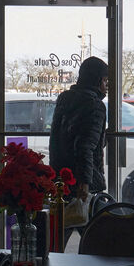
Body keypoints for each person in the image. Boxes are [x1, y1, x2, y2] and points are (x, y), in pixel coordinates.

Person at [49, 56, 109, 201]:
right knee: (86, 220)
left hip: (62, 175)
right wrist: (85, 182)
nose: (107, 85)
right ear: (98, 80)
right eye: (105, 80)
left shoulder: (65, 99)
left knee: (64, 220)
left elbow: (61, 138)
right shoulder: (95, 105)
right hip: (83, 180)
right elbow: (85, 146)